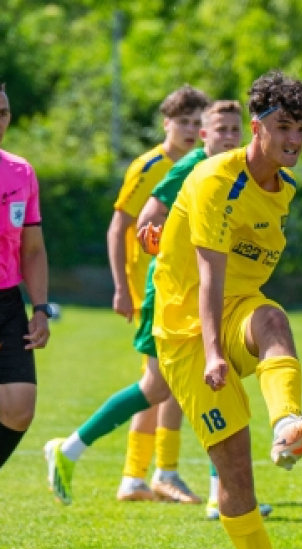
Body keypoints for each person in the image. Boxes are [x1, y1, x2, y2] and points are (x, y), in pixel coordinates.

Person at [153, 70, 302, 549]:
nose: (295, 139)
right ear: (256, 129)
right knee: (235, 476)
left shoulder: (282, 190)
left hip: (238, 309)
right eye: (284, 127)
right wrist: (214, 353)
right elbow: (208, 277)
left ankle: (288, 427)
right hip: (187, 335)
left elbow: (238, 283)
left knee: (273, 317)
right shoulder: (218, 178)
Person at [45, 100, 270, 521]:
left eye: (234, 130)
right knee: (160, 387)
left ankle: (211, 490)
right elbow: (146, 219)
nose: (228, 137)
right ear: (205, 135)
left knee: (206, 380)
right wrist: (157, 249)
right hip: (170, 295)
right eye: (220, 129)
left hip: (204, 292)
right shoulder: (191, 168)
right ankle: (73, 448)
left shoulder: (235, 172)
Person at [106, 84, 210, 502]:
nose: (190, 129)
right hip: (150, 288)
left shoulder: (201, 164)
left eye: (197, 122)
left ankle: (154, 473)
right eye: (183, 121)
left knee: (166, 383)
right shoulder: (150, 165)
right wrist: (121, 287)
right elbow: (119, 227)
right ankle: (144, 474)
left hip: (178, 287)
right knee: (160, 382)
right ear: (167, 124)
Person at [0, 83, 53, 469]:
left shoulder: (21, 172)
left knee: (19, 406)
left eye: (3, 113)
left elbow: (32, 249)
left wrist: (40, 308)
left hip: (7, 300)